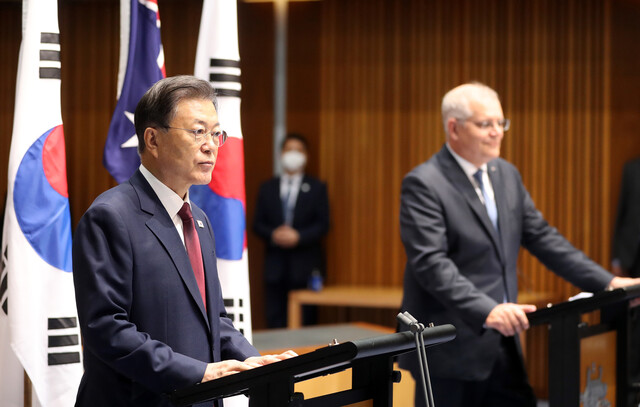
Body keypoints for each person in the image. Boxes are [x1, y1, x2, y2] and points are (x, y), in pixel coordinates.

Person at [397, 82, 640, 407]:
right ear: (454, 128)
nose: (497, 132)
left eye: (501, 122)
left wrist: (607, 283)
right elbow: (431, 264)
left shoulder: (505, 175)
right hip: (450, 347)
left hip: (503, 340)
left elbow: (543, 238)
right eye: (485, 124)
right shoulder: (424, 183)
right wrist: (487, 310)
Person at [72, 76, 295, 407]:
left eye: (216, 134)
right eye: (197, 132)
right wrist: (197, 373)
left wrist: (254, 364)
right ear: (152, 139)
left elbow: (214, 320)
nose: (210, 145)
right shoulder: (110, 216)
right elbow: (106, 329)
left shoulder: (199, 220)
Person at [253, 133, 330, 328]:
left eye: (298, 150)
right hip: (275, 267)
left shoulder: (317, 187)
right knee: (275, 321)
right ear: (281, 154)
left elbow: (323, 224)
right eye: (289, 149)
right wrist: (273, 234)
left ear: (306, 155)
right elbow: (257, 224)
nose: (293, 154)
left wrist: (299, 236)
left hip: (305, 267)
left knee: (306, 322)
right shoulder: (267, 187)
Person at [612, 156, 640, 404]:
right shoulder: (632, 168)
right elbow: (622, 213)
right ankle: (632, 389)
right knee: (635, 324)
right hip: (634, 258)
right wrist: (617, 257)